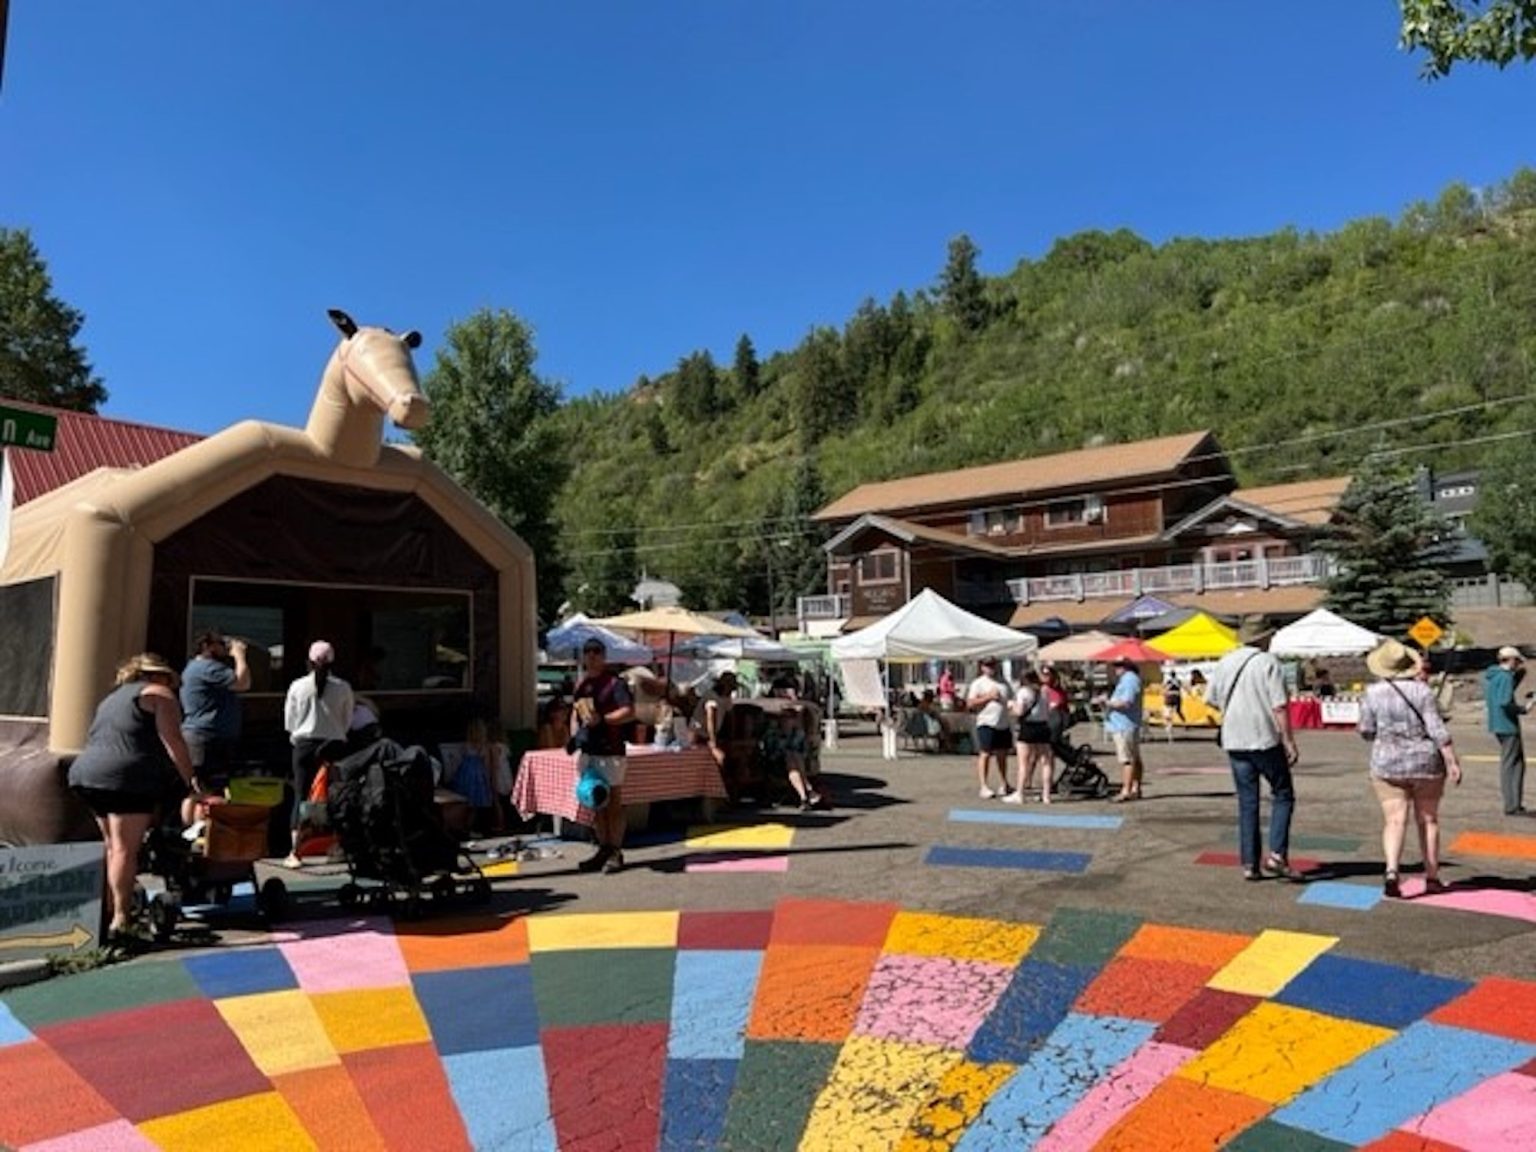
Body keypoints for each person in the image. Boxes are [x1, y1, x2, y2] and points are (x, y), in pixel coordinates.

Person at [68, 654, 200, 945]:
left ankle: (105, 914)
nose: (172, 687)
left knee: (111, 847)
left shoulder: (111, 699)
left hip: (86, 774)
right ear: (159, 676)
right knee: (125, 850)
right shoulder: (159, 694)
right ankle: (121, 919)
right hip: (126, 777)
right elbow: (173, 740)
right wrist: (191, 780)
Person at [1358, 640, 1463, 898]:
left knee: (1394, 820)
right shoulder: (1422, 692)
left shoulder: (1372, 693)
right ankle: (1432, 876)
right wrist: (1452, 761)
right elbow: (1436, 729)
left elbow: (1366, 730)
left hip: (1387, 763)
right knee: (1428, 819)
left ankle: (1392, 870)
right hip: (1425, 762)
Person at [1208, 639, 1300, 881]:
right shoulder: (1268, 662)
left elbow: (1211, 699)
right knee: (1283, 794)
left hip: (1234, 739)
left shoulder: (1225, 661)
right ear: (1264, 639)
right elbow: (1279, 706)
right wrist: (1289, 740)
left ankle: (1250, 863)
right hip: (1263, 736)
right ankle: (1277, 855)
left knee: (1247, 802)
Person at [282, 640, 354, 868]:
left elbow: (289, 722)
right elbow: (347, 720)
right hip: (334, 746)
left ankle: (296, 852)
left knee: (301, 796)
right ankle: (336, 847)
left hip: (304, 745)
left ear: (309, 662)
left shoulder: (297, 686)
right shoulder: (343, 687)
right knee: (337, 797)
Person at [571, 638, 636, 874]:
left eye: (596, 651)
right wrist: (574, 737)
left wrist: (603, 719)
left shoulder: (615, 683)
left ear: (604, 656)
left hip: (611, 750)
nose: (592, 655)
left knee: (614, 803)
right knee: (596, 802)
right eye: (587, 651)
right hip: (589, 751)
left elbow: (629, 711)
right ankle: (603, 848)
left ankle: (615, 850)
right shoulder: (581, 684)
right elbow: (576, 712)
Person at [179, 630, 250, 791]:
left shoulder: (194, 667)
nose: (225, 648)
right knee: (210, 790)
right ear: (206, 646)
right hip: (209, 737)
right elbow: (242, 683)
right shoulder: (208, 668)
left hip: (202, 735)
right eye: (221, 644)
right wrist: (240, 656)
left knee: (199, 789)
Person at [1483, 645, 1533, 816]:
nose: (1517, 665)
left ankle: (1513, 803)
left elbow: (1499, 695)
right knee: (1513, 764)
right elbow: (1505, 702)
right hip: (1507, 724)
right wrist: (1523, 709)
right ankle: (1512, 804)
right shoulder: (1505, 677)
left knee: (1511, 762)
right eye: (1516, 661)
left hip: (1497, 723)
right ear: (1510, 660)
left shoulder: (1493, 675)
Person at [966, 657, 1014, 799]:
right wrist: (988, 697)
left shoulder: (1004, 682)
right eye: (987, 665)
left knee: (1002, 755)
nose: (991, 668)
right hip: (986, 722)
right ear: (982, 667)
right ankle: (984, 785)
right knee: (985, 753)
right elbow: (970, 703)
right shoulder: (978, 683)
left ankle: (1004, 783)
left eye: (993, 665)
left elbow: (1011, 698)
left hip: (1003, 723)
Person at [758, 706, 823, 810]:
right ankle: (808, 789)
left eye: (790, 718)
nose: (786, 721)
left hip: (795, 764)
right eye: (784, 718)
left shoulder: (799, 734)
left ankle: (804, 797)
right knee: (791, 756)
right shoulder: (773, 733)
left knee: (793, 759)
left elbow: (805, 751)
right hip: (776, 762)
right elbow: (768, 751)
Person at [451, 717, 503, 837]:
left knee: (467, 805)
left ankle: (466, 828)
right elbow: (487, 764)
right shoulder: (483, 747)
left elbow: (461, 759)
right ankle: (474, 828)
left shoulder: (466, 745)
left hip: (464, 777)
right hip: (478, 778)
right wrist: (490, 780)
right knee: (476, 806)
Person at [1103, 657, 1145, 802]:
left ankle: (1126, 790)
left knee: (1127, 759)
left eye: (1119, 665)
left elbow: (1126, 702)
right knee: (1134, 757)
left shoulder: (1129, 680)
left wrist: (1107, 702)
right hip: (1127, 724)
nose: (1116, 668)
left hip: (1124, 725)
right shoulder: (1129, 679)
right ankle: (1135, 788)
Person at [693, 670, 739, 769]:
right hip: (699, 732)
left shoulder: (727, 697)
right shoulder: (711, 696)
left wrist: (732, 736)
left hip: (713, 733)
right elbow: (710, 719)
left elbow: (730, 715)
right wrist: (713, 741)